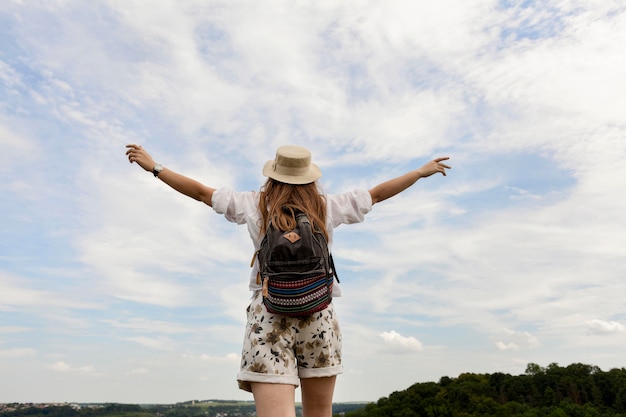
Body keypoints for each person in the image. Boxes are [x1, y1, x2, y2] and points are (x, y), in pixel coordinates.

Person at [125, 144, 450, 417]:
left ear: (273, 174)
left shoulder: (254, 204)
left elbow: (199, 193)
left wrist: (155, 168)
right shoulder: (326, 207)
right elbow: (377, 195)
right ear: (309, 176)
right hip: (319, 315)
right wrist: (420, 172)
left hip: (269, 316)